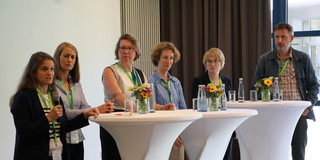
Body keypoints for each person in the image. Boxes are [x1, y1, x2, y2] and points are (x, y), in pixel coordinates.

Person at [10, 52, 100, 160]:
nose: (50, 73)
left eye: (52, 69)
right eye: (44, 69)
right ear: (33, 72)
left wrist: (85, 115)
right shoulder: (23, 97)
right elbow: (24, 130)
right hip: (34, 155)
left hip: (57, 154)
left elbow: (63, 127)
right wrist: (48, 118)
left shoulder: (54, 96)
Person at [251, 22, 319, 160]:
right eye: (276, 37)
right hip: (274, 116)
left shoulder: (303, 58)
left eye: (283, 37)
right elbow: (255, 88)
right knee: (274, 154)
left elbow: (314, 86)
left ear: (291, 38)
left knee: (298, 154)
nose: (279, 41)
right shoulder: (265, 60)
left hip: (298, 114)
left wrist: (307, 107)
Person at [53, 42, 115, 160]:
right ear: (58, 58)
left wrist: (92, 110)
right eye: (66, 56)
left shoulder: (76, 84)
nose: (69, 60)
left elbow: (86, 106)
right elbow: (62, 113)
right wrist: (88, 112)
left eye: (73, 57)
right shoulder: (52, 84)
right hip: (60, 138)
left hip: (77, 137)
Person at [191, 48, 233, 160]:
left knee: (225, 156)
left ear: (221, 63)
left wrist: (234, 129)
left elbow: (231, 107)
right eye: (209, 61)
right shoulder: (198, 81)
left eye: (216, 61)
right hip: (206, 127)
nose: (212, 64)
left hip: (225, 126)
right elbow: (195, 105)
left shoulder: (227, 81)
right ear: (205, 64)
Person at [147, 42, 187, 160]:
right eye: (165, 57)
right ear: (157, 58)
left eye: (171, 58)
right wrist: (170, 133)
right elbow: (150, 110)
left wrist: (180, 132)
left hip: (178, 134)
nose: (168, 61)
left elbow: (183, 109)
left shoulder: (176, 82)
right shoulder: (149, 82)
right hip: (159, 135)